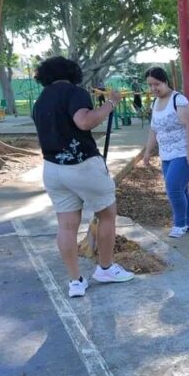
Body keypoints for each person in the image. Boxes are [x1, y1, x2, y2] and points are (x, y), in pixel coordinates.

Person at [31, 56, 134, 297]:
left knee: (66, 225)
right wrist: (111, 103)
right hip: (81, 164)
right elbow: (84, 121)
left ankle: (75, 281)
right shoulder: (74, 92)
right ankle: (105, 268)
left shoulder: (41, 100)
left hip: (52, 168)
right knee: (107, 214)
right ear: (71, 72)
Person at [141, 67, 189, 238]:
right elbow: (153, 130)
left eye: (157, 84)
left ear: (165, 81)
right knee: (180, 189)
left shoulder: (178, 100)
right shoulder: (155, 103)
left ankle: (179, 224)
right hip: (167, 154)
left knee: (173, 188)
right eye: (150, 85)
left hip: (186, 152)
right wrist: (147, 152)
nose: (154, 88)